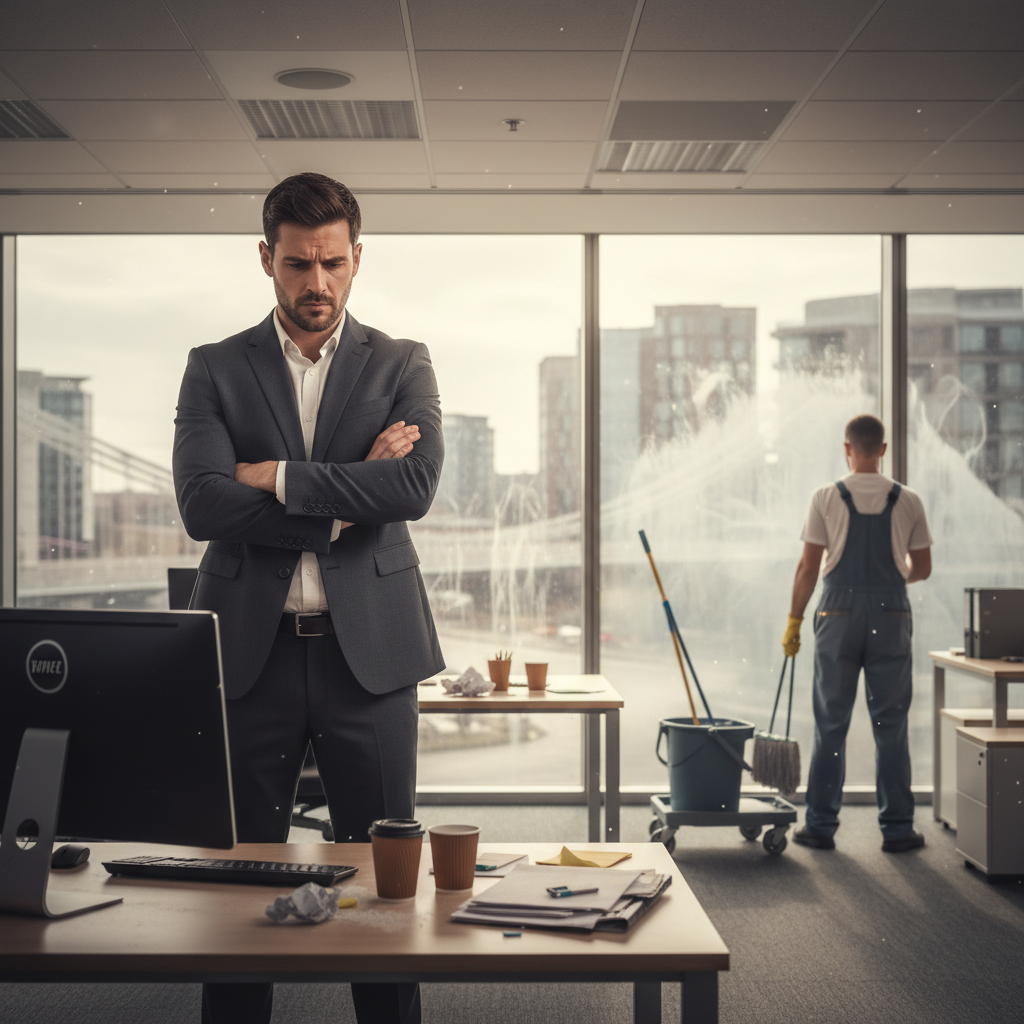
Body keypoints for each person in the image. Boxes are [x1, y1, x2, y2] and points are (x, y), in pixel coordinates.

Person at [173, 172, 444, 1024]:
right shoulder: (214, 367)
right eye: (297, 264)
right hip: (246, 657)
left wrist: (282, 478)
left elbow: (414, 486)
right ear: (267, 259)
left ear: (357, 259)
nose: (316, 283)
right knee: (240, 882)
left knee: (384, 886)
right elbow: (202, 504)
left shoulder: (403, 361)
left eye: (332, 262)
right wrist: (339, 501)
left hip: (368, 658)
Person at [782, 414, 932, 853]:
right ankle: (899, 829)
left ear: (846, 448)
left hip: (838, 614)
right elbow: (921, 569)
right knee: (891, 725)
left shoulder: (826, 497)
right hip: (890, 617)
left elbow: (809, 567)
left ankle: (821, 826)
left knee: (831, 724)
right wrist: (887, 584)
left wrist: (794, 620)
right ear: (882, 449)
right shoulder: (909, 500)